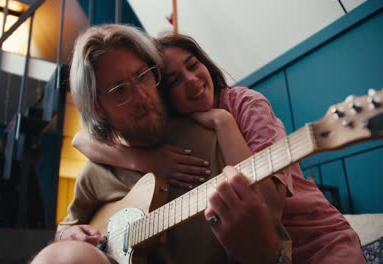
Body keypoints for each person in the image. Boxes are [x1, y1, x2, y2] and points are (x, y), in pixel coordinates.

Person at [72, 31, 366, 263]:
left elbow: (266, 207)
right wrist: (144, 159)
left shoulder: (241, 104)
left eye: (193, 65)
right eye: (174, 80)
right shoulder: (172, 133)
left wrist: (224, 122)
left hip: (318, 242)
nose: (191, 81)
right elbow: (81, 139)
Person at [36, 24, 290, 264]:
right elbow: (66, 227)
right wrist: (66, 236)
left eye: (143, 76)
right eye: (119, 90)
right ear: (97, 108)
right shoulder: (94, 174)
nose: (142, 96)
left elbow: (274, 234)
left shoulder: (212, 139)